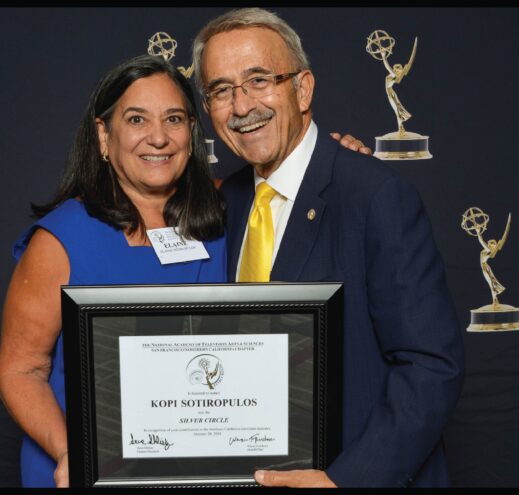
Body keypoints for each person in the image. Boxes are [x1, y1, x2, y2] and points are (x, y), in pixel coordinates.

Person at [191, 8, 463, 487]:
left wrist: (346, 481)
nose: (241, 105)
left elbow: (431, 366)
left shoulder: (374, 196)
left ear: (303, 89)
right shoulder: (227, 203)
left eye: (259, 80)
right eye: (221, 90)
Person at [0, 55, 227, 488]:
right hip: (86, 470)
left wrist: (344, 158)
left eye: (174, 119)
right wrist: (71, 452)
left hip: (200, 463)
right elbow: (20, 370)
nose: (158, 137)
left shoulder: (231, 213)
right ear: (104, 135)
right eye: (137, 119)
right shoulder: (62, 239)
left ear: (192, 132)